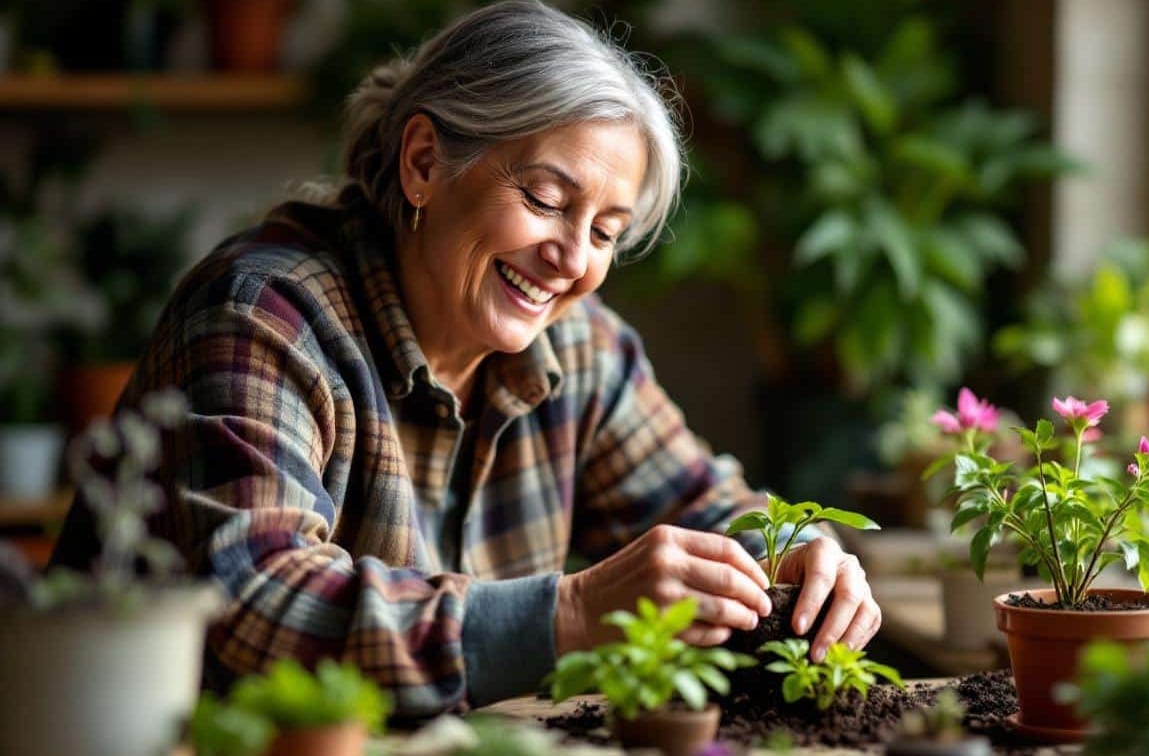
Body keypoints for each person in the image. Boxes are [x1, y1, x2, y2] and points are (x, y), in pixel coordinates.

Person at [50, 0, 879, 718]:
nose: (572, 260)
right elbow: (258, 605)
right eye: (547, 201)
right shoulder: (265, 316)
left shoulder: (580, 345)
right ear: (423, 163)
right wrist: (574, 611)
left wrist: (795, 555)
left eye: (604, 233)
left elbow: (702, 504)